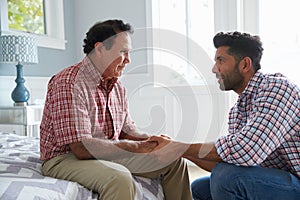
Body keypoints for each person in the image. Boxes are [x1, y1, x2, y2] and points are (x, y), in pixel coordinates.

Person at [39, 19, 192, 200]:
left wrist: (153, 141)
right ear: (100, 48)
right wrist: (135, 147)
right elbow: (81, 148)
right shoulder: (69, 83)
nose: (128, 60)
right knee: (119, 178)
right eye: (123, 52)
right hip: (65, 158)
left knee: (174, 161)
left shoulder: (116, 86)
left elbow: (127, 131)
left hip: (105, 152)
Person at [150, 31, 300, 200]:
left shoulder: (277, 89)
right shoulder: (238, 111)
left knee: (227, 178)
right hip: (279, 181)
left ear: (245, 65)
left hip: (297, 181)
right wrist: (176, 151)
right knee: (200, 187)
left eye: (220, 60)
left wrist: (179, 146)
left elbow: (247, 150)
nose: (214, 69)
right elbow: (229, 160)